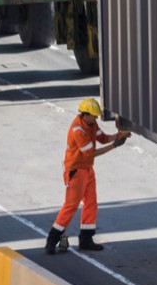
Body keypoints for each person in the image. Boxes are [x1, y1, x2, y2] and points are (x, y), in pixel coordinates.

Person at [44, 98, 130, 253]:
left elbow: (102, 138)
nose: (96, 119)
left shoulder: (91, 124)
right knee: (71, 206)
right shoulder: (78, 130)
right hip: (76, 172)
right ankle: (52, 239)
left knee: (91, 203)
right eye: (94, 116)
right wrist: (115, 145)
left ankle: (86, 239)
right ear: (85, 114)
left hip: (88, 170)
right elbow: (90, 154)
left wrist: (118, 135)